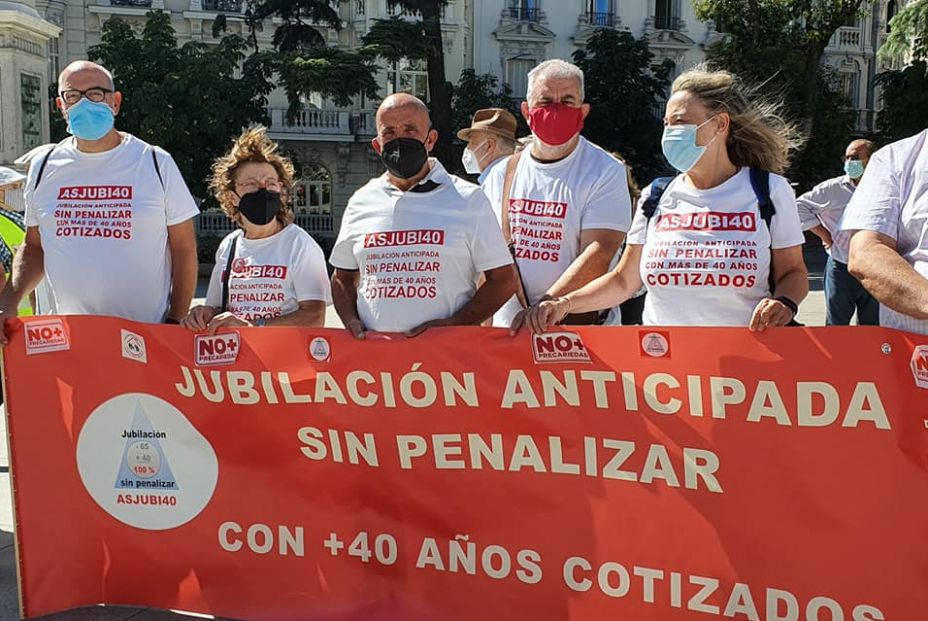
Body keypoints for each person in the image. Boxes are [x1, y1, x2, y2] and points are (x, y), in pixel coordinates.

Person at [522, 67, 808, 333]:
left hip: (744, 362)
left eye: (681, 122)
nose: (670, 132)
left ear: (720, 124)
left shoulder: (769, 190)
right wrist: (564, 304)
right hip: (665, 366)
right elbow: (624, 281)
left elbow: (794, 273)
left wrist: (784, 303)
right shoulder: (655, 196)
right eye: (667, 123)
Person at [0, 60, 198, 338]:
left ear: (115, 102)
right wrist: (8, 301)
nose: (84, 103)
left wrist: (176, 322)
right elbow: (34, 247)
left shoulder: (154, 162)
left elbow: (184, 248)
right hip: (69, 339)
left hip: (145, 338)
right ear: (61, 106)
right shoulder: (44, 166)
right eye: (73, 96)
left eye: (95, 93)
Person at [330, 93, 517, 337]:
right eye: (389, 133)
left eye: (410, 130)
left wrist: (456, 324)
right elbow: (342, 277)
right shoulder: (361, 201)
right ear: (377, 145)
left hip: (445, 360)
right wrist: (351, 321)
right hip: (375, 362)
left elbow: (503, 281)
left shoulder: (468, 199)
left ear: (431, 139)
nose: (399, 139)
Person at [481, 59, 632, 331]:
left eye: (567, 101)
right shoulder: (500, 175)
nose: (556, 110)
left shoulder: (605, 170)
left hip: (581, 331)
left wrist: (546, 308)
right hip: (510, 333)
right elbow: (485, 261)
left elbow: (599, 252)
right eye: (546, 101)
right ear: (527, 111)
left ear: (583, 112)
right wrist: (477, 334)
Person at [182, 127, 330, 333]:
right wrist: (202, 314)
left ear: (282, 191)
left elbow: (314, 316)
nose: (262, 190)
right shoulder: (229, 245)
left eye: (270, 183)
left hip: (285, 362)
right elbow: (217, 309)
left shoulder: (298, 244)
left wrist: (255, 326)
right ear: (232, 195)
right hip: (239, 361)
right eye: (251, 184)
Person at [839, 129, 928, 335]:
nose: (850, 163)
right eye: (848, 158)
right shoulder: (894, 159)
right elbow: (866, 254)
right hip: (916, 355)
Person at [796, 139, 878, 325]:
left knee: (872, 326)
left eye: (855, 157)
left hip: (875, 267)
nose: (850, 162)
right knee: (836, 326)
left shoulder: (885, 187)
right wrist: (824, 234)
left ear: (871, 160)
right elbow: (798, 206)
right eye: (847, 158)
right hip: (841, 266)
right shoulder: (833, 189)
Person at [457, 108, 518, 184]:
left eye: (472, 142)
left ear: (490, 146)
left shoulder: (496, 179)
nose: (468, 148)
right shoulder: (519, 174)